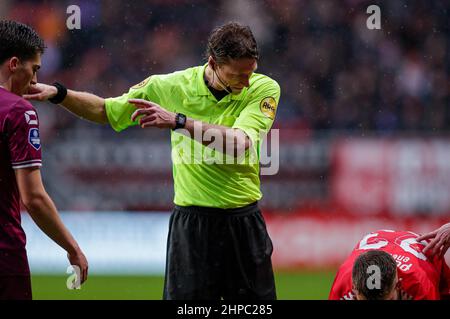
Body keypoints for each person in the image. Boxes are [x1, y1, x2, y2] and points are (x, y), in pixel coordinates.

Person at [26, 22, 280, 300]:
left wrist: (179, 122)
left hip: (243, 222)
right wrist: (60, 94)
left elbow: (240, 143)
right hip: (192, 226)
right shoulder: (168, 87)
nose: (245, 82)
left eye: (250, 72)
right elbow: (106, 111)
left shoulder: (263, 88)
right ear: (213, 63)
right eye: (237, 75)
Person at [0, 20, 88, 300]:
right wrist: (72, 247)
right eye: (35, 69)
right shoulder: (19, 111)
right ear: (15, 63)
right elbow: (33, 197)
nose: (36, 81)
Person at [329, 230, 450, 300]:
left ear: (398, 285)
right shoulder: (344, 283)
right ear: (354, 288)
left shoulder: (420, 285)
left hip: (427, 258)